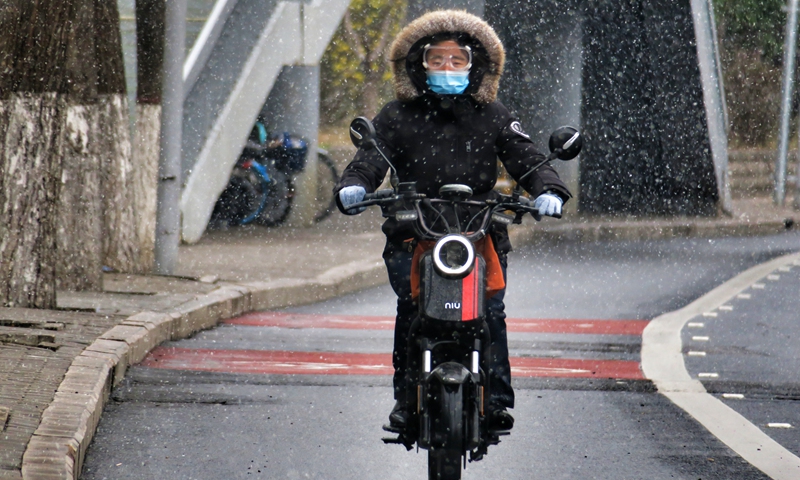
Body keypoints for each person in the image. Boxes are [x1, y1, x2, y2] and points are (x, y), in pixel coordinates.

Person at [333, 9, 571, 432]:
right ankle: (407, 402)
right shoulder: (395, 115)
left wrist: (549, 191)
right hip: (413, 229)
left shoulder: (495, 114)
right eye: (436, 60)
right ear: (418, 64)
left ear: (474, 65)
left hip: (480, 231)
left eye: (457, 60)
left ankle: (496, 400)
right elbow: (370, 159)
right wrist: (353, 185)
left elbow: (528, 157)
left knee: (491, 310)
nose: (447, 68)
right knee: (411, 309)